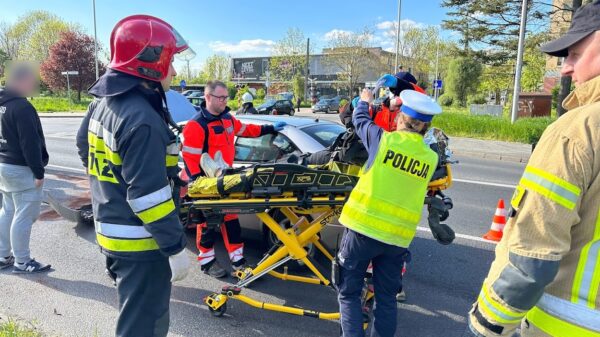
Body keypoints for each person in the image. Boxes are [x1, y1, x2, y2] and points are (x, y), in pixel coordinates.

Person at [466, 2, 600, 336]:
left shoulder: (578, 131)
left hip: (565, 325)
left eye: (574, 53)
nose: (566, 68)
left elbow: (533, 256)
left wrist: (487, 324)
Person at [78, 15, 193, 337]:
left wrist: (113, 185)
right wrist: (174, 247)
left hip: (112, 231)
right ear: (151, 65)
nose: (175, 72)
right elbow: (148, 197)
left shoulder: (104, 104)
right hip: (141, 244)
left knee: (135, 316)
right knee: (143, 326)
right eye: (171, 62)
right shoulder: (141, 119)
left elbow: (85, 150)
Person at [337, 88, 442, 337]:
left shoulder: (383, 140)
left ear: (398, 119)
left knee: (349, 293)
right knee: (386, 300)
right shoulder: (430, 158)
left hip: (362, 230)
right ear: (425, 128)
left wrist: (365, 101)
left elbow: (359, 120)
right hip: (397, 239)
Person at [181, 80, 285, 278]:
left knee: (231, 222)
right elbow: (190, 159)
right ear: (208, 97)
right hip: (206, 185)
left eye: (226, 97)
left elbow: (245, 130)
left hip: (226, 181)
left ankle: (238, 260)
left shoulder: (227, 118)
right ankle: (207, 262)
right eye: (220, 97)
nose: (224, 101)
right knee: (207, 225)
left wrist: (270, 128)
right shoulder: (196, 125)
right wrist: (198, 186)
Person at [0, 62, 50, 274]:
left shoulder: (2, 103)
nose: (33, 84)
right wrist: (38, 172)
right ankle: (22, 261)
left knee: (8, 211)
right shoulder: (22, 107)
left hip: (4, 165)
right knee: (24, 215)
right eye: (31, 80)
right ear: (20, 80)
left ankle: (3, 255)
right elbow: (30, 143)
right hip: (22, 169)